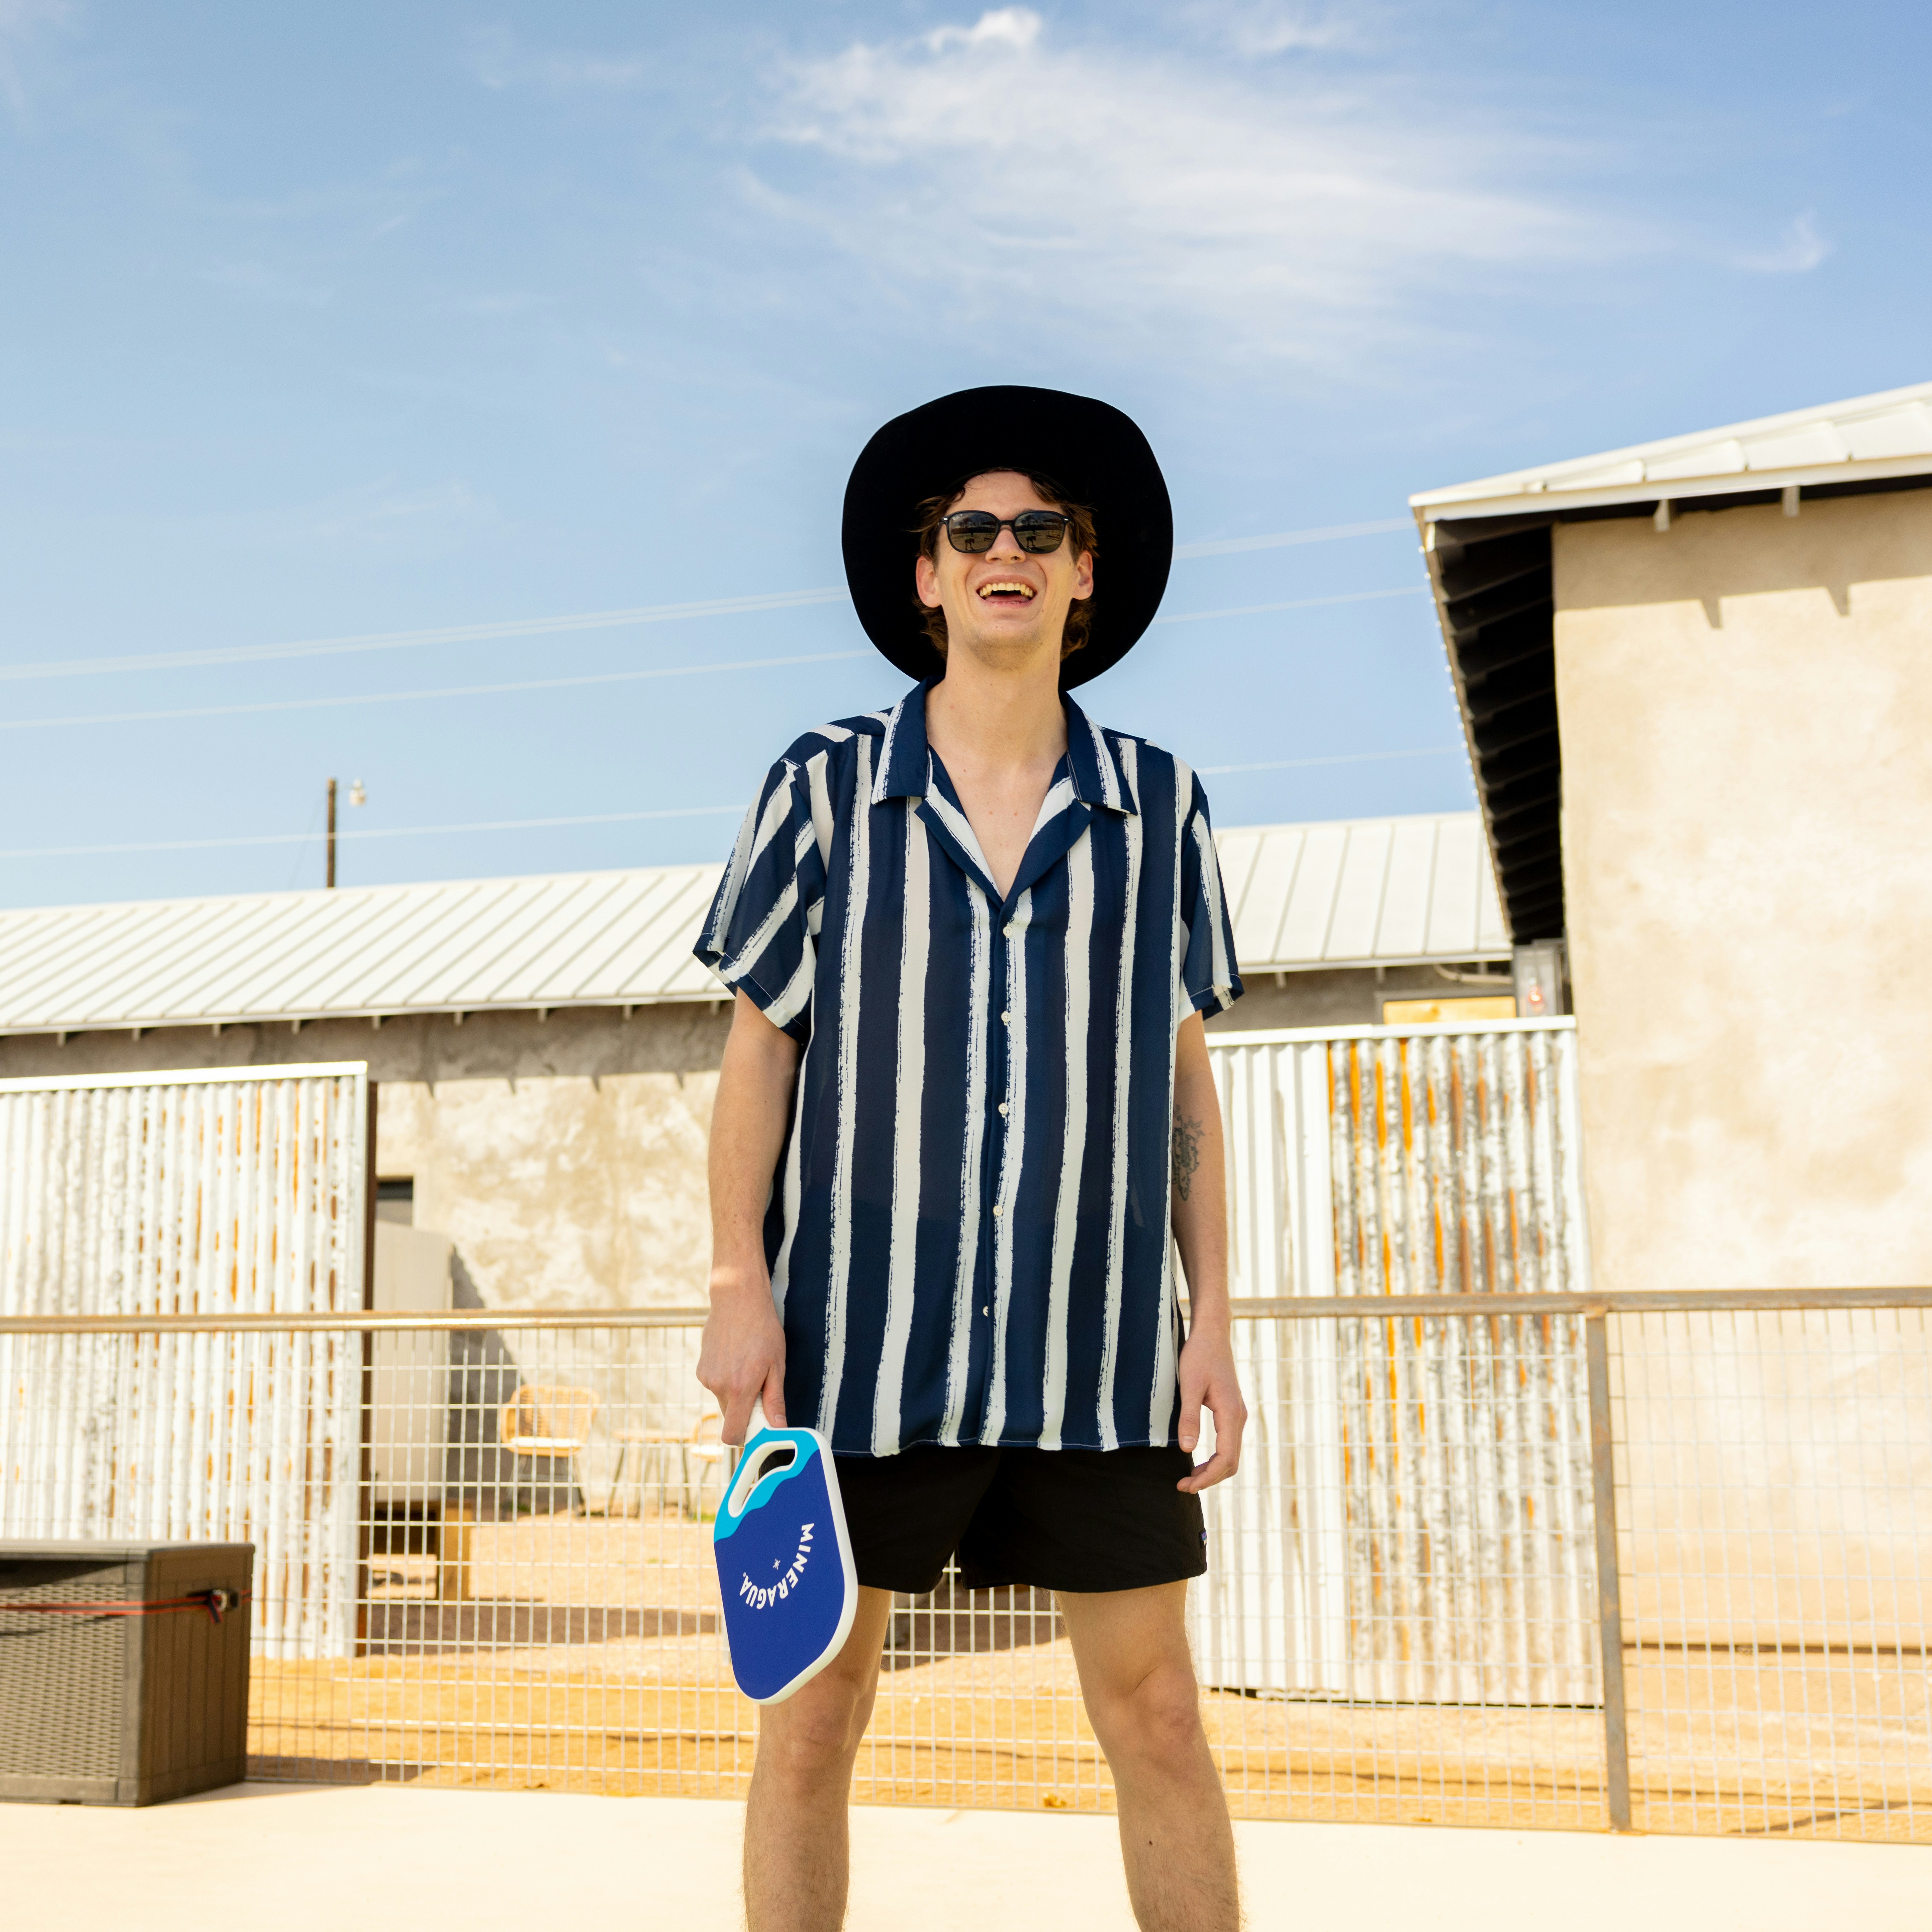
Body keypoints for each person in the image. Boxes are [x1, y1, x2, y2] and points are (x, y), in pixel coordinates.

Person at [695, 385, 1246, 1932]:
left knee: (1157, 1720)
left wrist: (1210, 1317)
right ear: (926, 575)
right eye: (971, 528)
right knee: (811, 1719)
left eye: (1041, 528)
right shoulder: (821, 787)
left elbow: (1183, 1071)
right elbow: (758, 1050)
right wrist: (740, 1281)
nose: (1006, 548)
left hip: (1096, 1363)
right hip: (853, 1360)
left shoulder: (1160, 806)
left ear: (1087, 573)